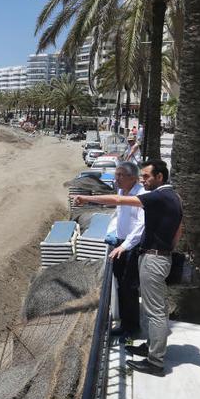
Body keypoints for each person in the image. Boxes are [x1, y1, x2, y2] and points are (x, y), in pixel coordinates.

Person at [73, 160, 183, 376]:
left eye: (147, 176)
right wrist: (167, 249)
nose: (143, 180)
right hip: (160, 256)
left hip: (154, 259)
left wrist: (86, 198)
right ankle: (151, 347)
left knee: (155, 312)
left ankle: (155, 361)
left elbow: (116, 199)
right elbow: (179, 229)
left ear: (160, 177)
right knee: (157, 309)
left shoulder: (158, 196)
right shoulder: (174, 197)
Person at [105, 161, 146, 340]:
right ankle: (123, 325)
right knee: (121, 287)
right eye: (116, 174)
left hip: (132, 247)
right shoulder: (122, 192)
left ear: (133, 178)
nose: (117, 178)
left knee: (129, 289)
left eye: (121, 175)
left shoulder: (141, 195)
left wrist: (125, 246)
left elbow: (140, 226)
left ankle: (133, 329)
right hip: (120, 245)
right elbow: (119, 216)